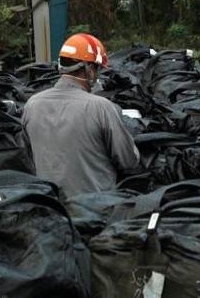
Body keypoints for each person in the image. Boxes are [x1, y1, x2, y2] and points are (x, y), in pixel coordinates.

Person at [22, 33, 140, 199]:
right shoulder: (102, 108)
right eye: (97, 69)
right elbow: (128, 162)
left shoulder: (32, 105)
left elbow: (29, 158)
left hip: (52, 210)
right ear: (89, 70)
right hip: (96, 213)